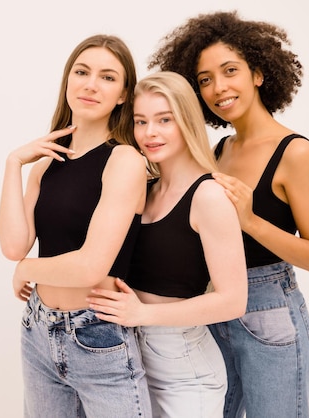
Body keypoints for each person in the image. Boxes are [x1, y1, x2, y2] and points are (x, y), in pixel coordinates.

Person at [146, 10, 309, 418]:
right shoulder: (218, 151)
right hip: (212, 310)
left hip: (270, 313)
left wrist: (250, 220)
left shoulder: (295, 152)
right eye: (205, 79)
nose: (218, 88)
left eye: (230, 71)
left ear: (259, 74)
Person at [0, 34, 151, 418]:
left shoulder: (124, 160)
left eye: (108, 77)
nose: (91, 84)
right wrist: (14, 163)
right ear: (68, 80)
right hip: (38, 330)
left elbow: (91, 266)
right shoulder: (46, 164)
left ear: (123, 95)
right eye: (82, 72)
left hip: (97, 334)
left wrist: (28, 269)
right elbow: (14, 245)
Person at [86, 71, 248, 418]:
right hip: (130, 356)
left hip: (184, 370)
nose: (149, 133)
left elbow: (233, 301)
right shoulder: (145, 188)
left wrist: (143, 314)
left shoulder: (209, 196)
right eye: (141, 121)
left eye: (164, 120)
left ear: (187, 121)